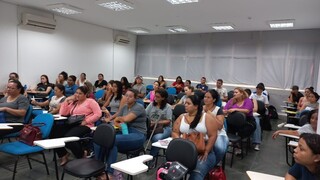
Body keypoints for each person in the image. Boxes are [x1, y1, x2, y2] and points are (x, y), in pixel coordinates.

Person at [102, 88, 147, 178]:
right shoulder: (125, 107)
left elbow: (126, 119)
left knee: (113, 140)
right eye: (126, 95)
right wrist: (119, 121)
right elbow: (116, 121)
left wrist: (120, 120)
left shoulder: (139, 107)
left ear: (135, 98)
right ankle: (101, 168)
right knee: (104, 138)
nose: (127, 98)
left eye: (130, 96)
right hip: (125, 131)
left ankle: (110, 173)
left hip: (138, 134)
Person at [172, 95, 219, 179]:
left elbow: (213, 136)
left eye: (188, 103)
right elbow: (175, 132)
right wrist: (180, 143)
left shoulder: (207, 117)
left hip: (202, 153)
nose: (185, 105)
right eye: (185, 103)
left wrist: (206, 151)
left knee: (196, 175)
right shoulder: (181, 117)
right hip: (185, 151)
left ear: (196, 106)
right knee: (172, 172)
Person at [54, 86, 102, 165]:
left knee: (68, 138)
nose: (77, 95)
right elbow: (63, 113)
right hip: (73, 124)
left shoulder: (90, 101)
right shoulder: (74, 102)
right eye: (76, 93)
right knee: (54, 133)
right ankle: (63, 154)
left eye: (80, 93)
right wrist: (66, 101)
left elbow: (98, 114)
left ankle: (82, 154)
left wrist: (86, 121)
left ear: (85, 94)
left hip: (86, 125)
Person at [145, 89, 172, 168]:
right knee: (142, 133)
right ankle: (138, 155)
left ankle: (152, 157)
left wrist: (156, 122)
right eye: (155, 96)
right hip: (152, 126)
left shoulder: (168, 107)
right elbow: (145, 114)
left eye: (158, 97)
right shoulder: (151, 105)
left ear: (163, 98)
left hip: (165, 128)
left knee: (157, 138)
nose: (155, 98)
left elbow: (168, 121)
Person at [203, 89, 228, 163]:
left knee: (220, 148)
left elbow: (220, 126)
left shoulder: (218, 110)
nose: (205, 99)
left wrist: (209, 113)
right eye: (205, 97)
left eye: (208, 97)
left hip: (218, 133)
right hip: (204, 132)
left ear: (214, 100)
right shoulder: (201, 108)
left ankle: (214, 164)